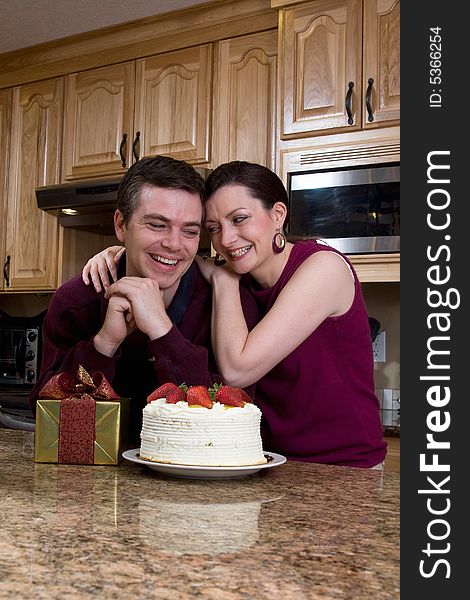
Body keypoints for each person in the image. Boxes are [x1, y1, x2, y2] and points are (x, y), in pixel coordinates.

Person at [84, 161, 387, 468]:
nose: (226, 240)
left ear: (278, 215)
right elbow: (164, 250)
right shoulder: (246, 277)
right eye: (213, 228)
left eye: (239, 219)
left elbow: (237, 372)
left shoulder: (324, 268)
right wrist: (119, 252)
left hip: (344, 467)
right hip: (268, 462)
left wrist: (224, 281)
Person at [28, 155, 258, 443]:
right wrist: (104, 344)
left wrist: (163, 332)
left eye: (189, 231)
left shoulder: (230, 304)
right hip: (94, 483)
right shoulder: (75, 302)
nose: (174, 244)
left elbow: (231, 429)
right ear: (121, 225)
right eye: (157, 225)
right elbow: (53, 428)